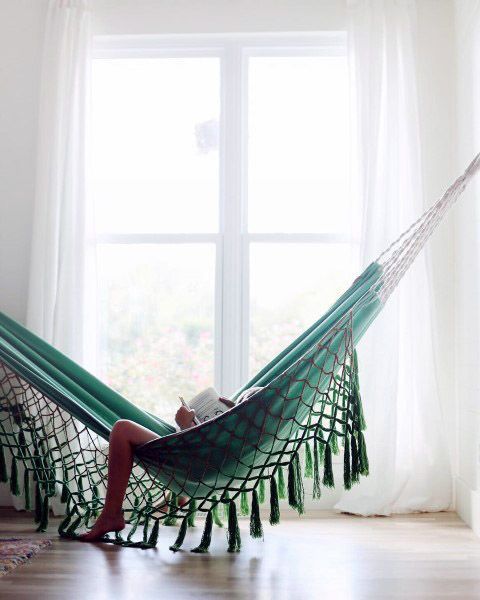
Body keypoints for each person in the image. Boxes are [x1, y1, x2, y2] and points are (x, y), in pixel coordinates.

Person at [79, 386, 262, 542]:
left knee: (121, 429)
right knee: (122, 428)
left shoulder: (242, 439)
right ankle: (176, 494)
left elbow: (205, 456)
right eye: (238, 403)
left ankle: (112, 513)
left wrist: (185, 426)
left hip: (193, 464)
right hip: (196, 464)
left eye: (244, 403)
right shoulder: (253, 439)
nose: (239, 404)